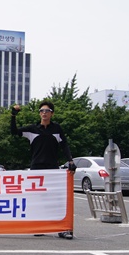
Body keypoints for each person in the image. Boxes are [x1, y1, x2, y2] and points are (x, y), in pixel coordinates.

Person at [11, 101, 76, 239]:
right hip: (37, 169)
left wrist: (70, 160)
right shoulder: (32, 129)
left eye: (47, 111)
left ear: (52, 113)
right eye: (41, 111)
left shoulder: (57, 129)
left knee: (57, 198)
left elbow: (65, 145)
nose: (44, 113)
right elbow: (14, 131)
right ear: (39, 113)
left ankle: (62, 229)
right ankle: (39, 226)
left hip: (52, 169)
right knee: (38, 198)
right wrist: (13, 115)